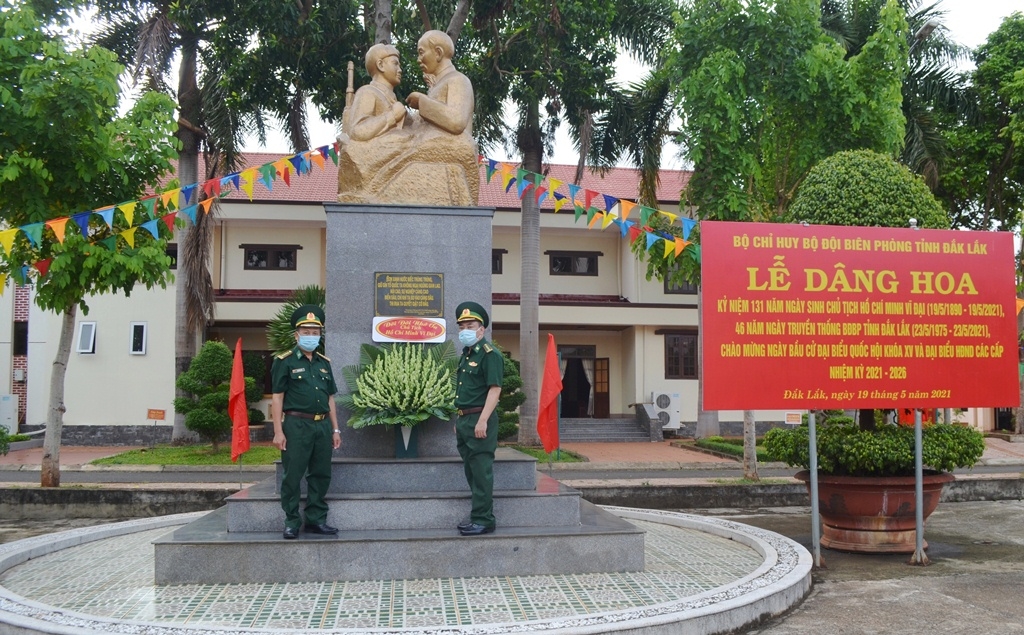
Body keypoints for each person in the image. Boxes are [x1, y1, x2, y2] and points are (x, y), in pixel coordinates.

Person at [271, 304, 341, 540]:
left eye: (315, 332)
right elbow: (277, 397)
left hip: (321, 426)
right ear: (296, 334)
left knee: (321, 473)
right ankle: (291, 521)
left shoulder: (324, 363)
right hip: (296, 425)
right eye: (306, 331)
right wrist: (278, 431)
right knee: (293, 474)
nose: (311, 336)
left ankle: (316, 519)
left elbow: (330, 398)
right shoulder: (285, 361)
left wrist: (335, 428)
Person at [453, 301, 503, 536]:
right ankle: (478, 515)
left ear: (481, 329)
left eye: (470, 325)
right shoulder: (466, 356)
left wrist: (483, 420)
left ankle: (484, 519)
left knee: (481, 471)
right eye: (461, 326)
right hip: (465, 421)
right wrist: (459, 419)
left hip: (480, 420)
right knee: (471, 471)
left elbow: (494, 390)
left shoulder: (489, 355)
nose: (465, 330)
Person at [342, 43, 407, 142]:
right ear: (380, 65)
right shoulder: (367, 92)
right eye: (395, 64)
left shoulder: (392, 98)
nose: (400, 70)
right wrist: (392, 116)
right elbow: (358, 130)